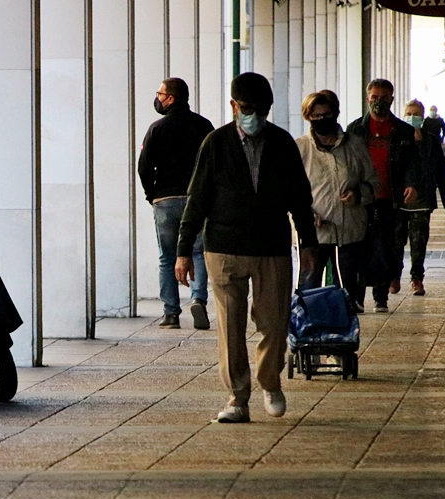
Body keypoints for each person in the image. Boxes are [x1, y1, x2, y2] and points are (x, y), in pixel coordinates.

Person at [175, 72, 317, 423]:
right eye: (249, 108)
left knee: (274, 322)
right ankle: (237, 397)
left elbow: (300, 198)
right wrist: (182, 249)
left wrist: (309, 243)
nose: (255, 116)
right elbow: (198, 197)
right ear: (234, 106)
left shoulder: (283, 143)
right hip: (223, 246)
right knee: (230, 326)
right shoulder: (215, 143)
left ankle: (270, 382)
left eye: (262, 109)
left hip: (271, 247)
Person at [139, 77, 215, 329]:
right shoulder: (204, 126)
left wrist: (153, 195)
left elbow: (144, 167)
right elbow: (214, 165)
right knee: (198, 252)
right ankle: (198, 300)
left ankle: (171, 313)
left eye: (160, 94)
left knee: (167, 256)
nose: (158, 99)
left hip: (166, 200)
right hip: (197, 199)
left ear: (170, 98)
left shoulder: (156, 128)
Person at [294, 89, 378, 312]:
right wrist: (305, 214)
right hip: (313, 233)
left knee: (346, 290)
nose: (322, 120)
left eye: (327, 114)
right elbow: (288, 190)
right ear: (308, 117)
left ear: (336, 113)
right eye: (316, 116)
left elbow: (373, 182)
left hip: (349, 231)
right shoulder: (299, 148)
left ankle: (344, 334)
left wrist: (359, 195)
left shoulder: (355, 145)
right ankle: (307, 332)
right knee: (308, 286)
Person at [346, 78, 420, 312]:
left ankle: (381, 297)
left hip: (390, 198)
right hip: (361, 198)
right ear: (367, 99)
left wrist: (411, 185)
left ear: (392, 98)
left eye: (383, 97)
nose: (379, 102)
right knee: (358, 246)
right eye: (374, 97)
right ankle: (357, 297)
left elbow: (412, 163)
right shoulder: (355, 130)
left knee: (387, 247)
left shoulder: (404, 131)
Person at [398, 99, 445, 296]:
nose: (412, 117)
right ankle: (394, 274)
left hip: (423, 201)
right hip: (398, 201)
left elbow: (441, 173)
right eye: (409, 113)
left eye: (416, 114)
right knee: (396, 241)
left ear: (422, 118)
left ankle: (416, 278)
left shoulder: (431, 141)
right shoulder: (396, 137)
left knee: (418, 241)